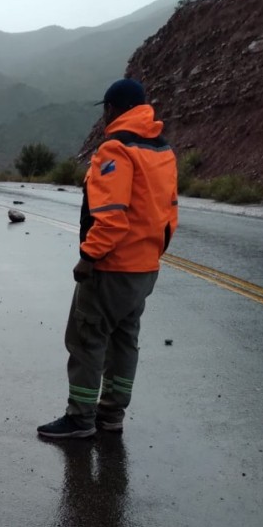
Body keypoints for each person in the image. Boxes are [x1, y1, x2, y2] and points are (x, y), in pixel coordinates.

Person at [37, 78, 178, 439]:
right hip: (145, 268)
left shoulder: (115, 151)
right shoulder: (162, 150)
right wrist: (152, 251)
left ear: (112, 109)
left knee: (87, 339)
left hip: (112, 268)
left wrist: (89, 256)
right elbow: (170, 213)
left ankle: (80, 418)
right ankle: (112, 415)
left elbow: (112, 216)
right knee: (124, 341)